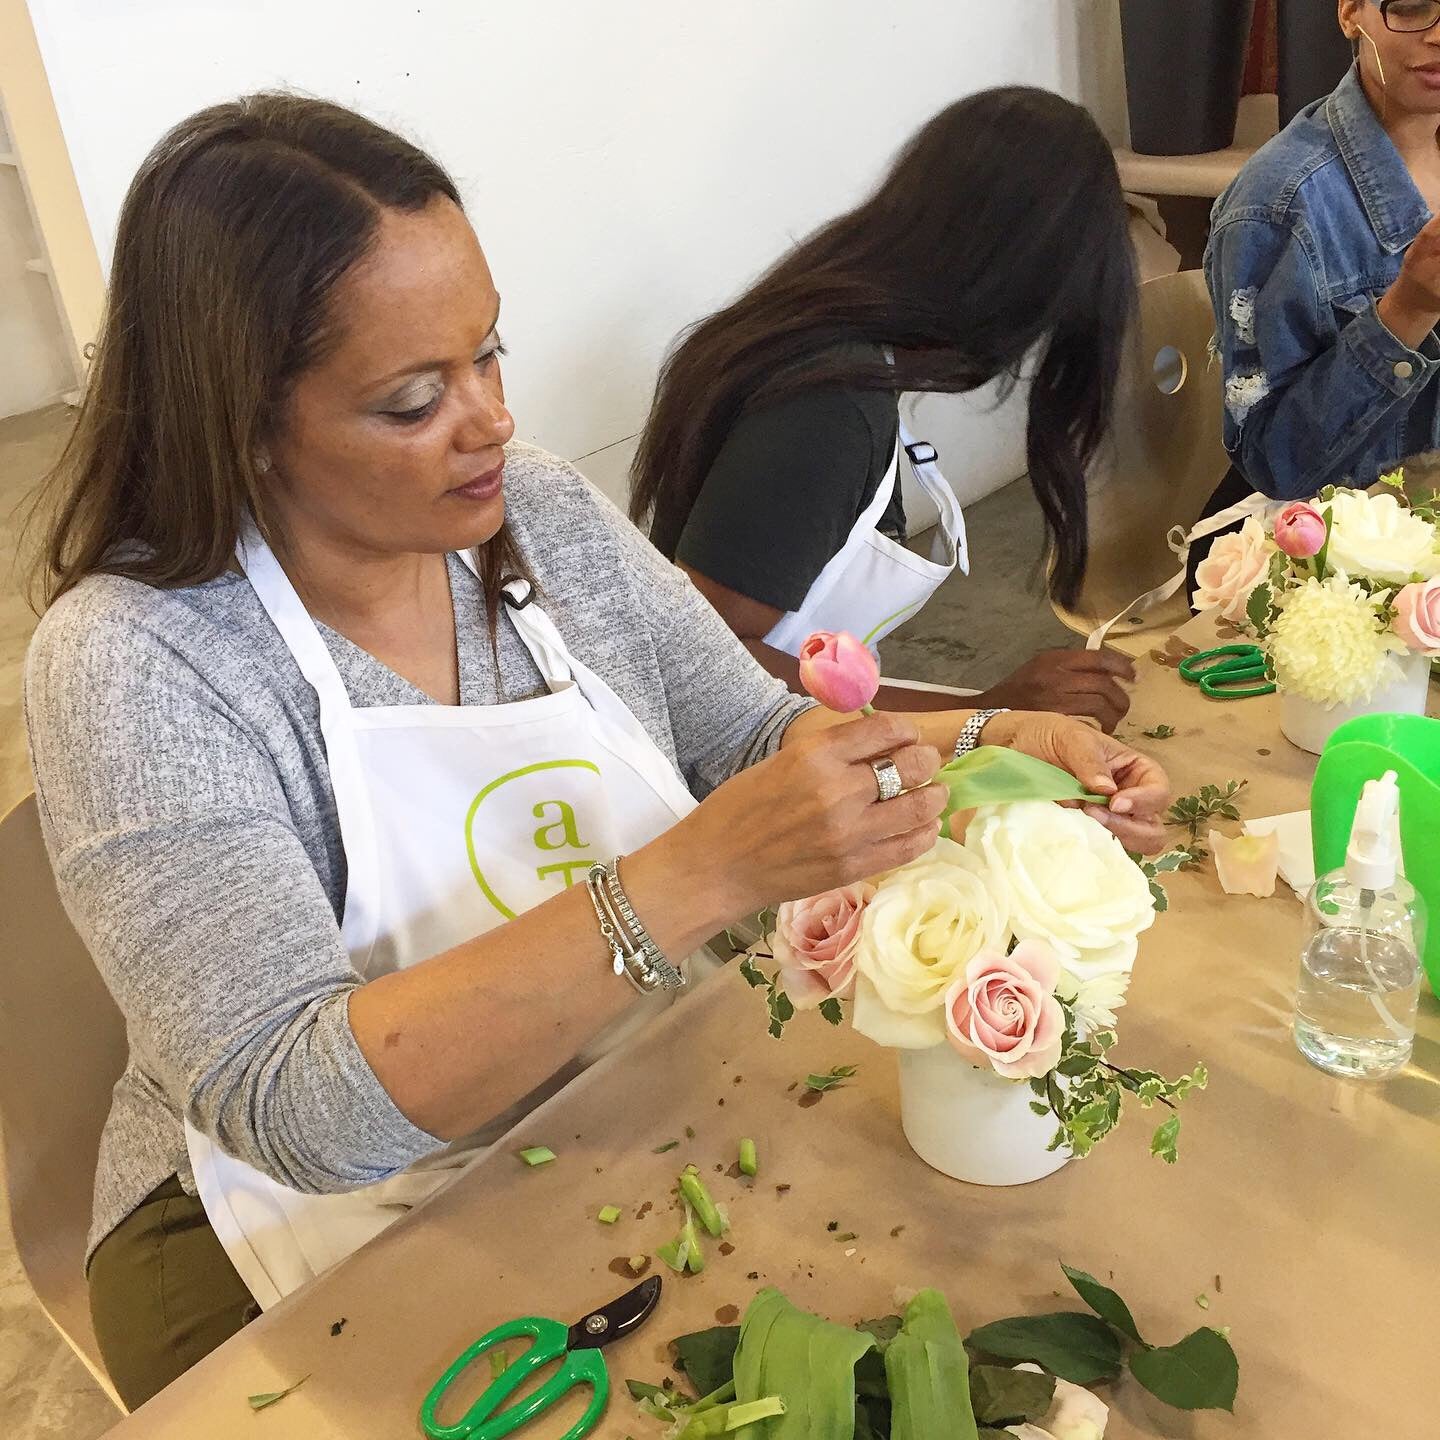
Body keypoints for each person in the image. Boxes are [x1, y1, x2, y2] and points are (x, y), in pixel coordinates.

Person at [23, 94, 1169, 1406]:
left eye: (488, 357)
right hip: (274, 1226)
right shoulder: (141, 660)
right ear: (242, 424)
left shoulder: (539, 520)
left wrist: (985, 747)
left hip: (605, 1091)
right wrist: (689, 880)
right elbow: (299, 1107)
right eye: (411, 400)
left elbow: (749, 738)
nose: (490, 421)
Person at [628, 87, 1140, 734]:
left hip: (787, 736)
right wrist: (986, 715)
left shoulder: (829, 333)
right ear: (1012, 286)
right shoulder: (827, 409)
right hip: (731, 769)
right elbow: (703, 672)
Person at [1196, 0, 1440, 589]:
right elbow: (1279, 466)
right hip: (1341, 564)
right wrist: (1406, 311)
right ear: (1351, 11)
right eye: (1412, 8)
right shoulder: (1278, 206)